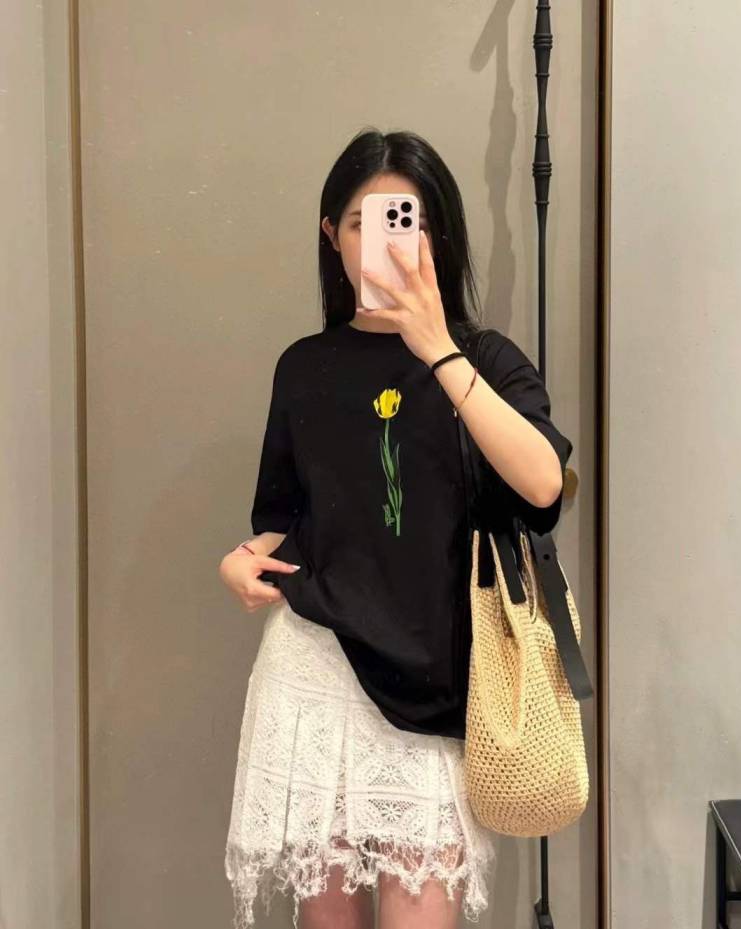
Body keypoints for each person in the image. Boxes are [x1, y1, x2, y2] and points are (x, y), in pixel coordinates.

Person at [219, 127, 573, 929]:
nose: (380, 242)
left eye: (402, 221)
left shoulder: (484, 357)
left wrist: (438, 350)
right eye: (359, 223)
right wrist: (242, 561)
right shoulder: (303, 367)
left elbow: (543, 483)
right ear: (332, 236)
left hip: (432, 682)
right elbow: (282, 516)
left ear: (435, 234)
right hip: (316, 672)